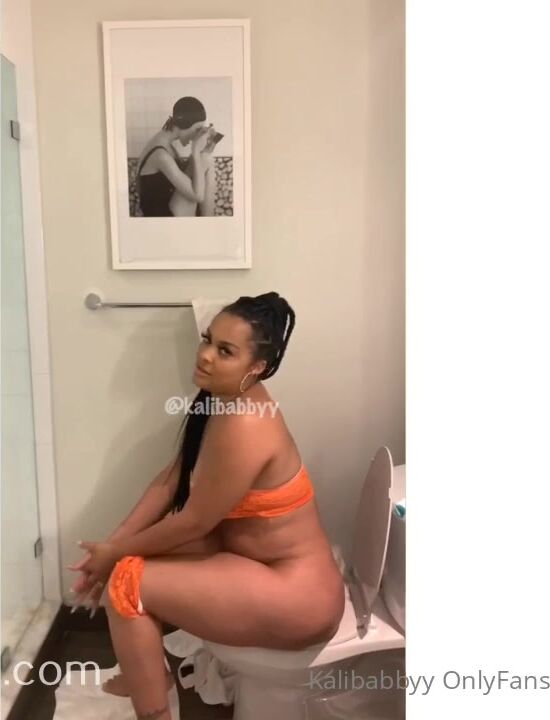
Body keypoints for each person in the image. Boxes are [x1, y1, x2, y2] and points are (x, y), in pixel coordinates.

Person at [68, 292, 346, 720]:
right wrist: (112, 546)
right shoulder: (223, 398)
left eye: (225, 350)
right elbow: (171, 480)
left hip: (298, 595)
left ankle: (153, 707)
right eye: (207, 339)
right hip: (259, 563)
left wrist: (114, 556)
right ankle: (148, 677)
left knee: (126, 583)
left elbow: (195, 521)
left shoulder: (246, 422)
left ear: (257, 366)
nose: (206, 355)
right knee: (125, 568)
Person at [136, 96, 216, 217]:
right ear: (184, 124)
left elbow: (183, 178)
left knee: (205, 157)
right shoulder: (160, 155)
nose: (196, 136)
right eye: (197, 129)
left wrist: (201, 151)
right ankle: (210, 221)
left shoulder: (164, 143)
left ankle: (209, 221)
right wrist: (195, 151)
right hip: (161, 217)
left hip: (171, 207)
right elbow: (198, 196)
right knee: (205, 158)